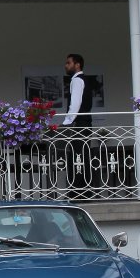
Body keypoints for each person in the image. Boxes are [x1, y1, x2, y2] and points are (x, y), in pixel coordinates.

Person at [57, 54, 93, 193]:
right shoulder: (83, 79)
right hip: (85, 122)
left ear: (77, 65)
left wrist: (67, 123)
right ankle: (84, 190)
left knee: (77, 156)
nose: (66, 65)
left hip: (79, 123)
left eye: (68, 63)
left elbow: (75, 104)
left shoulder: (77, 80)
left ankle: (78, 191)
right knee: (82, 155)